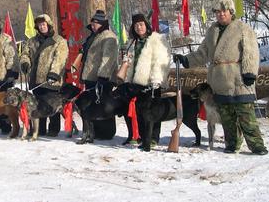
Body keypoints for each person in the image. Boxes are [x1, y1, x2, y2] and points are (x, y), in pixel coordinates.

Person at [174, 0, 268, 155]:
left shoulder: (242, 28)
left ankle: (257, 145)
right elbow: (203, 53)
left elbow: (251, 52)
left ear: (231, 12)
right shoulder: (212, 31)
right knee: (227, 117)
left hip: (238, 78)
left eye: (223, 11)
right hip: (218, 81)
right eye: (217, 12)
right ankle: (231, 144)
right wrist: (186, 59)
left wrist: (249, 71)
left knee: (246, 116)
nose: (220, 14)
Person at [118, 12, 171, 146]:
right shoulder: (133, 42)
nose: (139, 27)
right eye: (136, 25)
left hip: (151, 83)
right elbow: (130, 62)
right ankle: (142, 136)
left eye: (141, 24)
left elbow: (161, 60)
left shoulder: (156, 39)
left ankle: (153, 138)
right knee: (139, 112)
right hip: (136, 84)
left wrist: (157, 79)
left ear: (146, 26)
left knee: (153, 113)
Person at [20, 14, 68, 137]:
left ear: (49, 25)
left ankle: (53, 129)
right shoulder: (31, 41)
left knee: (52, 105)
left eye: (44, 24)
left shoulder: (59, 41)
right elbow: (25, 53)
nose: (42, 27)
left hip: (51, 79)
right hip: (36, 79)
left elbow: (60, 58)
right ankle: (39, 129)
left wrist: (54, 73)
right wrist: (25, 62)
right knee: (37, 105)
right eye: (39, 25)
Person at [75, 9, 119, 144]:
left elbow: (108, 57)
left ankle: (106, 132)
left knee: (104, 105)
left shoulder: (108, 36)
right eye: (92, 23)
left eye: (96, 23)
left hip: (102, 78)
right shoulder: (93, 36)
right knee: (92, 106)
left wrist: (103, 76)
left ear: (102, 24)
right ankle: (94, 132)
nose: (93, 25)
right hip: (91, 77)